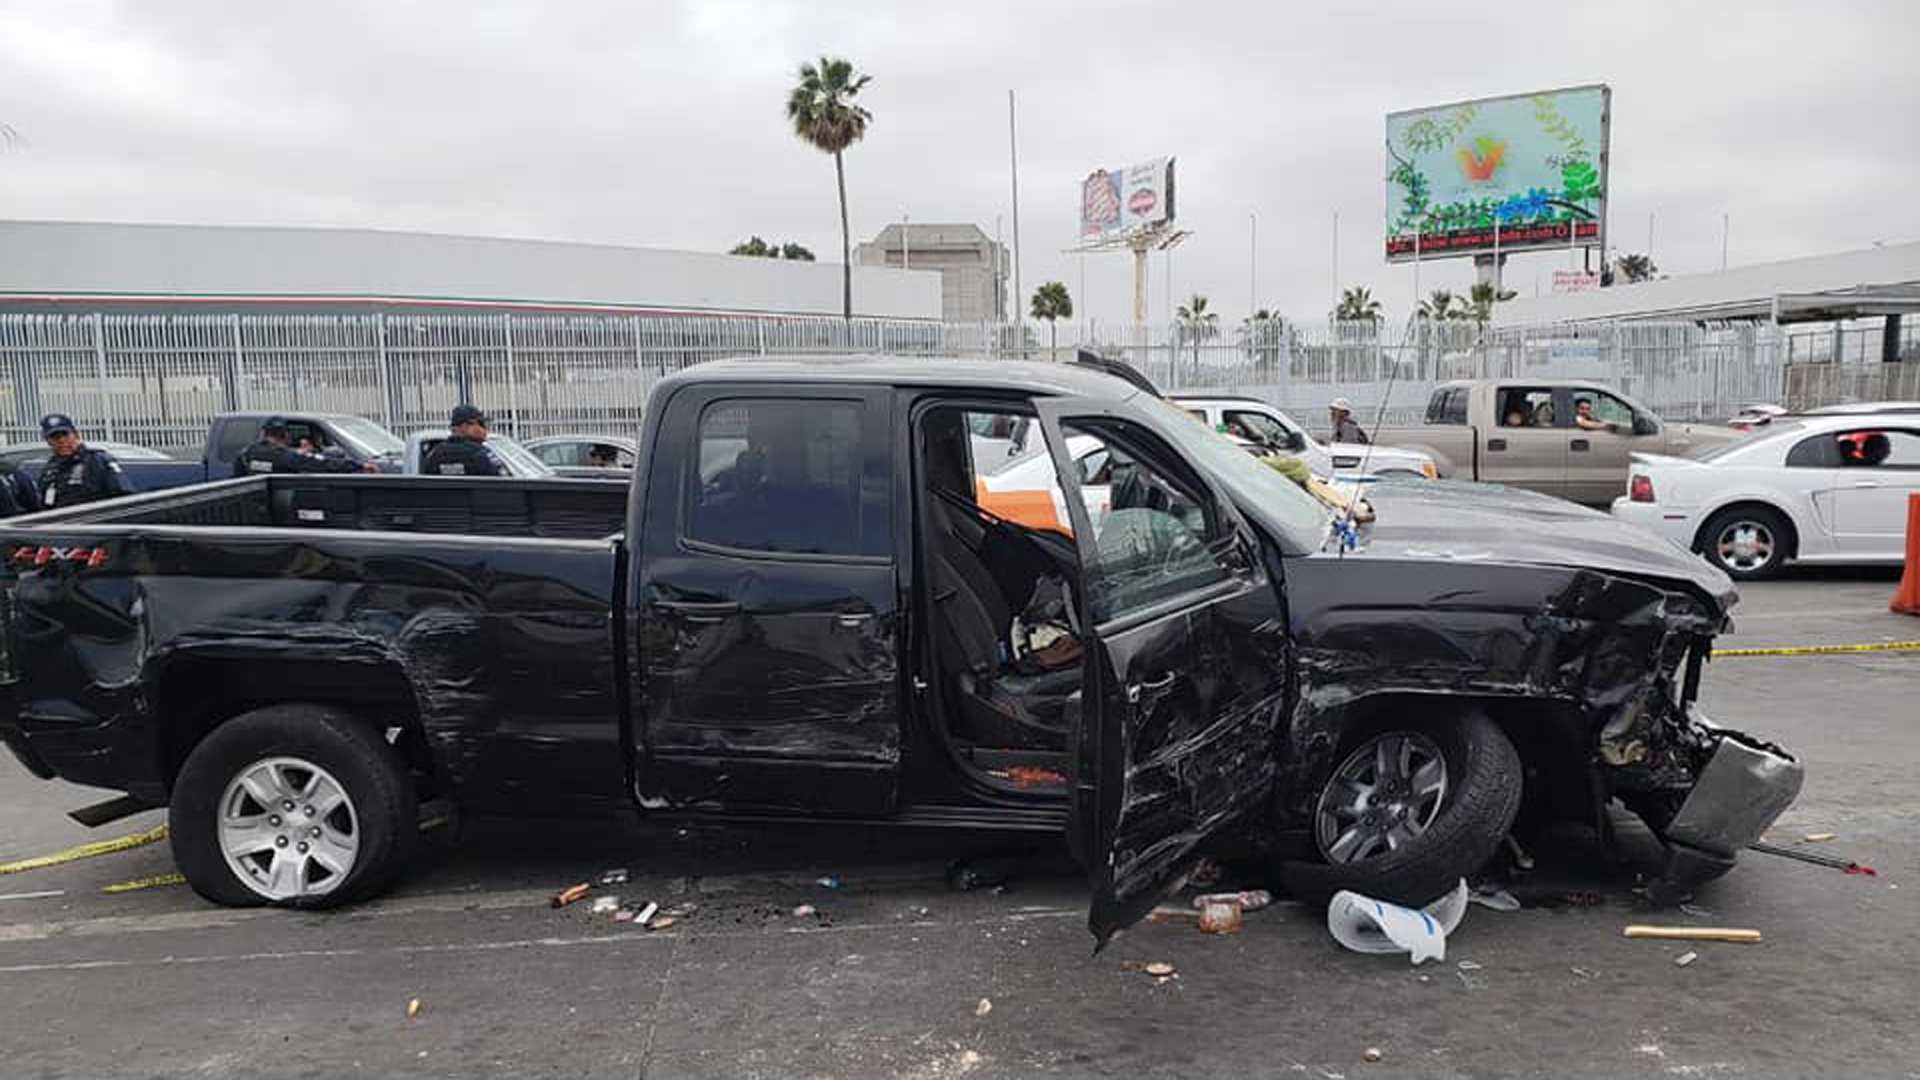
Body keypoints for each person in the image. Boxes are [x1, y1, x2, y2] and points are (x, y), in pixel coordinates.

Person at [35, 413, 133, 509]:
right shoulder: (49, 469)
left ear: (76, 435)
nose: (61, 440)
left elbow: (124, 499)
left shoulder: (97, 461)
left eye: (65, 434)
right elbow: (44, 505)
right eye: (55, 437)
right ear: (48, 441)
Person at [233, 417, 374, 476]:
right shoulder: (285, 456)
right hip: (282, 507)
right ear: (285, 435)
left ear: (265, 433)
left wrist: (300, 453)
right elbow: (324, 464)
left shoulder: (247, 453)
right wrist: (359, 466)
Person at [423, 404, 506, 477]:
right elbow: (506, 483)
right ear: (465, 426)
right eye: (481, 423)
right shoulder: (482, 454)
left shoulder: (434, 455)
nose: (485, 429)